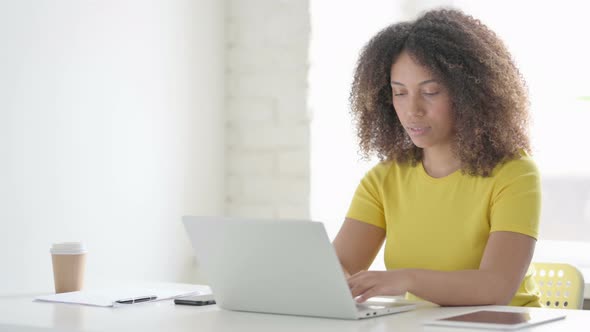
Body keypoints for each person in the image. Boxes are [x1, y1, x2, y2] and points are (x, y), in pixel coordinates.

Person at [333, 8, 541, 307]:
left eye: (430, 92)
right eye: (399, 93)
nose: (412, 109)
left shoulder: (514, 173)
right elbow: (339, 266)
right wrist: (334, 278)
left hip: (504, 326)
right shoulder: (384, 179)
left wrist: (405, 279)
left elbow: (495, 287)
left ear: (471, 94)